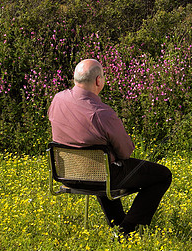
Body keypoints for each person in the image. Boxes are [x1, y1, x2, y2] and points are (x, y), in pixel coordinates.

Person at [48, 59, 172, 237]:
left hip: (66, 174)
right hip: (100, 176)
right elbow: (125, 152)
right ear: (98, 80)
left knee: (102, 166)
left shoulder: (57, 99)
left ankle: (117, 222)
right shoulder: (102, 113)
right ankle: (127, 229)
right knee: (162, 175)